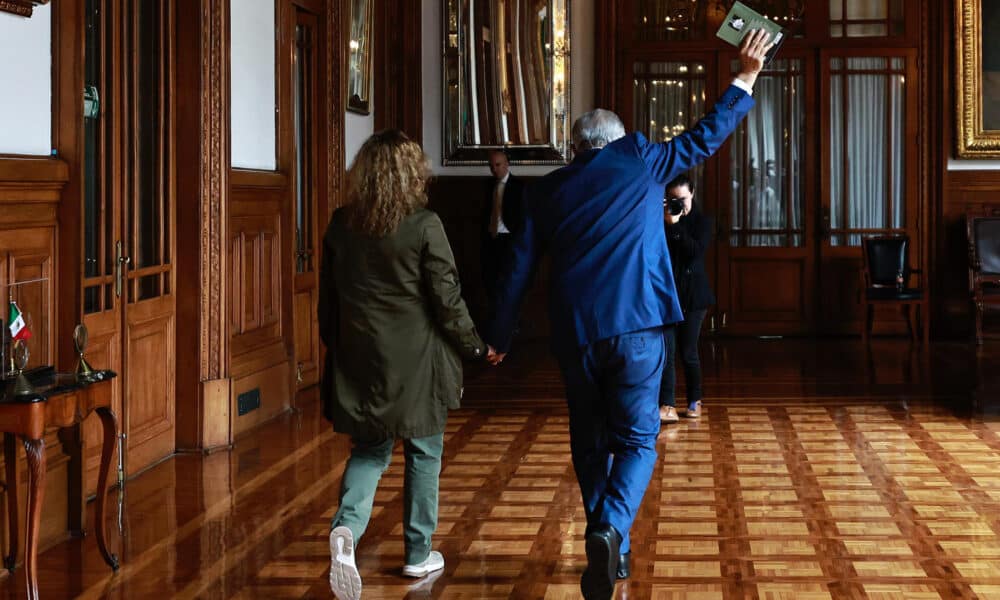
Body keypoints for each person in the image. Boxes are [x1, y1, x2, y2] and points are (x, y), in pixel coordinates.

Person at [485, 30, 773, 600]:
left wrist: (498, 336)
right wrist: (745, 75)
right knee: (639, 439)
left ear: (575, 149)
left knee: (590, 441)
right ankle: (611, 527)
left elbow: (516, 270)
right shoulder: (642, 160)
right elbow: (705, 135)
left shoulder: (545, 192)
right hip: (639, 329)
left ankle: (606, 534)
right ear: (616, 142)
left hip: (575, 336)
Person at [318, 130, 492, 600]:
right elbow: (447, 299)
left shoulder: (339, 224)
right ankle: (418, 553)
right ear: (413, 174)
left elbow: (328, 306)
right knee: (424, 452)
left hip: (360, 359)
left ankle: (346, 529)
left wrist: (337, 350)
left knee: (369, 451)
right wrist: (475, 347)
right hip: (417, 362)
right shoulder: (424, 224)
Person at [659, 173, 714, 423]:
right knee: (667, 352)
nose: (678, 203)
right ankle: (667, 404)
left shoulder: (703, 222)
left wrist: (675, 225)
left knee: (688, 351)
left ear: (692, 192)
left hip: (694, 296)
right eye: (672, 199)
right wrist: (667, 222)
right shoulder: (659, 220)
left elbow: (694, 252)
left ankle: (695, 400)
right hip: (667, 293)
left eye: (682, 198)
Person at [481, 149, 525, 321]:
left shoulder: (519, 187)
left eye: (498, 165)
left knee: (509, 284)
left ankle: (510, 322)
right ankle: (495, 320)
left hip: (509, 240)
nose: (494, 169)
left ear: (507, 164)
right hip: (491, 239)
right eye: (491, 166)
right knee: (491, 283)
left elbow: (522, 218)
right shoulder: (488, 185)